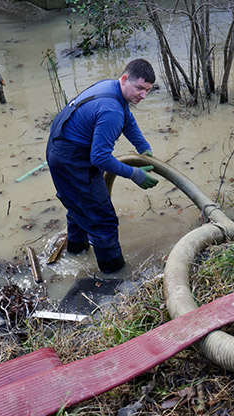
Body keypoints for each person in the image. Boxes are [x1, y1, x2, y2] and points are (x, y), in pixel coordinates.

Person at [46, 59, 160, 273]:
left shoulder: (112, 88)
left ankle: (76, 253)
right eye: (139, 88)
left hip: (60, 149)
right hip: (71, 160)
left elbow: (128, 119)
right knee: (103, 220)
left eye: (147, 91)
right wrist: (134, 173)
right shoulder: (111, 111)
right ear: (125, 79)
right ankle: (113, 274)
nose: (143, 96)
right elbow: (99, 158)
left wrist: (142, 146)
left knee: (79, 207)